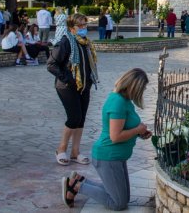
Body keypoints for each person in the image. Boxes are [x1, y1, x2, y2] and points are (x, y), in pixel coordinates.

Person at [61, 68, 151, 210]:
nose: (142, 91)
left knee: (123, 198)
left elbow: (124, 127)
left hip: (117, 157)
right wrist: (137, 130)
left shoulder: (125, 100)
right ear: (134, 86)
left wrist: (139, 133)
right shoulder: (118, 102)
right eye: (142, 88)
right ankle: (75, 186)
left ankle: (79, 179)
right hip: (108, 157)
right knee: (118, 203)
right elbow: (115, 137)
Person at [47, 13, 98, 167]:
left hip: (84, 85)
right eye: (80, 26)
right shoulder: (65, 42)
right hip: (68, 87)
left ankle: (75, 152)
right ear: (71, 28)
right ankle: (61, 149)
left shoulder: (86, 43)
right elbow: (51, 64)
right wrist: (68, 79)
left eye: (85, 25)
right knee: (74, 117)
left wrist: (88, 80)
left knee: (81, 119)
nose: (83, 28)